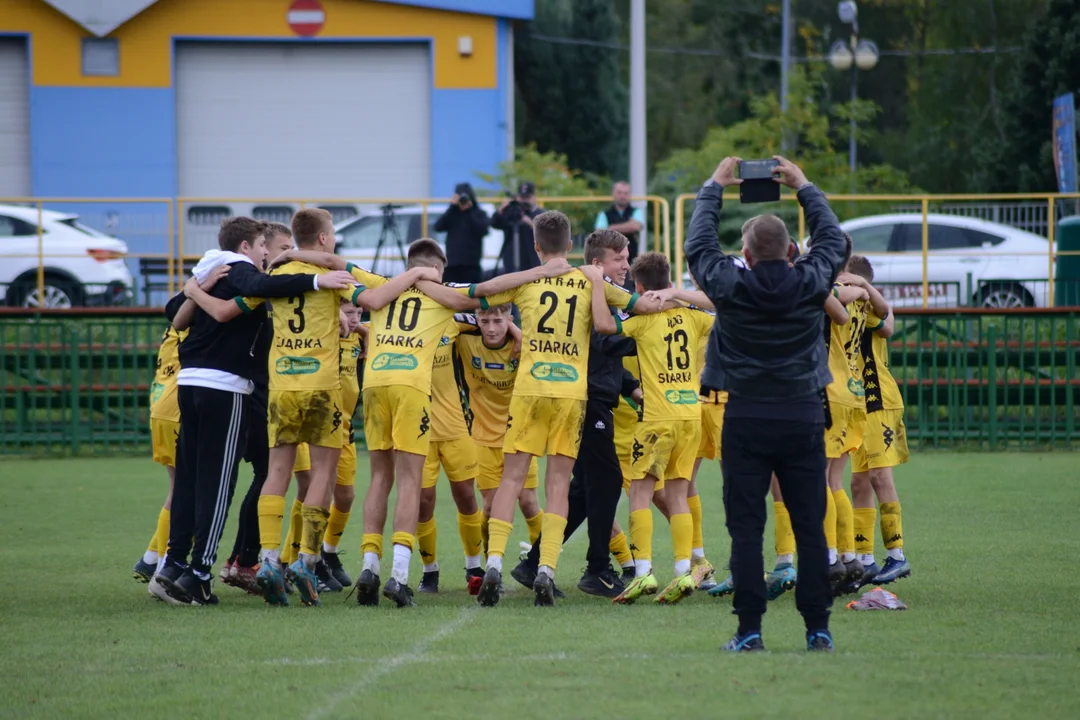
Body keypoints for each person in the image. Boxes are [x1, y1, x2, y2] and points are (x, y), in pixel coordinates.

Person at [685, 156, 848, 653]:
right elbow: (833, 241)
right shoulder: (810, 282)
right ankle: (818, 629)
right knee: (810, 529)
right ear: (791, 252)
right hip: (802, 417)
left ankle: (750, 630)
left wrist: (715, 186)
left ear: (748, 256)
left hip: (747, 419)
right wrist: (804, 186)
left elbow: (698, 247)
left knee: (746, 530)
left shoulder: (732, 286)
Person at [149, 217, 357, 605]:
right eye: (269, 247)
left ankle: (177, 565)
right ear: (249, 246)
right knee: (226, 480)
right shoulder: (252, 275)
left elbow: (176, 315)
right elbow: (239, 304)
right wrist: (319, 282)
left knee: (216, 478)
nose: (270, 256)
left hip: (209, 384)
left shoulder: (221, 272)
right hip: (244, 386)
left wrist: (195, 288)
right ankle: (210, 571)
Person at [352, 241, 564, 607]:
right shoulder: (445, 297)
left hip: (389, 394)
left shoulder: (380, 286)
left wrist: (513, 329)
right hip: (412, 399)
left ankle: (382, 563)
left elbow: (487, 317)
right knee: (415, 491)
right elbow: (482, 293)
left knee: (392, 480)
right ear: (440, 269)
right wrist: (539, 272)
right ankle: (411, 572)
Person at [473, 211, 635, 608]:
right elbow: (637, 305)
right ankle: (546, 569)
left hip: (529, 389)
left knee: (511, 479)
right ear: (571, 245)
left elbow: (480, 291)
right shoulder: (587, 280)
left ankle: (494, 560)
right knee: (559, 484)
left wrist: (531, 274)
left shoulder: (526, 283)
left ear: (536, 247)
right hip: (570, 394)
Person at [511, 228, 649, 599]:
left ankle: (535, 562)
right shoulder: (590, 290)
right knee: (604, 482)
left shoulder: (604, 293)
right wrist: (644, 331)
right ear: (595, 263)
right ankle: (598, 569)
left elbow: (605, 359)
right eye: (619, 258)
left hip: (593, 398)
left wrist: (632, 387)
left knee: (586, 489)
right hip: (582, 400)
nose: (627, 264)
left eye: (627, 256)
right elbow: (602, 340)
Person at [609, 252, 716, 606]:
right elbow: (725, 307)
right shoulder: (694, 316)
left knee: (639, 493)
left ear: (638, 286)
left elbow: (604, 329)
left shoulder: (639, 322)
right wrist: (681, 295)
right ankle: (685, 570)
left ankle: (642, 573)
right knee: (678, 494)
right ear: (669, 281)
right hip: (691, 416)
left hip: (656, 417)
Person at [453, 304, 545, 563]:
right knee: (492, 507)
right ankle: (489, 562)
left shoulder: (522, 346)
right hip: (483, 437)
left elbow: (541, 351)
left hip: (522, 435)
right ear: (477, 321)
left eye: (498, 321)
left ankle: (541, 565)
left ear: (510, 319)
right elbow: (446, 314)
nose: (491, 328)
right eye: (485, 321)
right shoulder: (466, 339)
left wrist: (518, 333)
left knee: (528, 504)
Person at [842, 256, 911, 586]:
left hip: (878, 399)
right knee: (858, 481)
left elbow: (887, 323)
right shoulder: (843, 298)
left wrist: (865, 289)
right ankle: (865, 558)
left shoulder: (866, 302)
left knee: (880, 476)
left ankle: (897, 555)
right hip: (855, 402)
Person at [414, 313, 487, 595]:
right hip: (418, 429)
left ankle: (473, 566)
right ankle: (429, 571)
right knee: (423, 500)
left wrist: (516, 333)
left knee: (466, 496)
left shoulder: (454, 319)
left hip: (456, 426)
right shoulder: (400, 320)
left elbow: (490, 319)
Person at [132, 323, 189, 583]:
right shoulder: (205, 308)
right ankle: (166, 564)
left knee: (180, 486)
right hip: (178, 404)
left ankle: (152, 557)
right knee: (187, 490)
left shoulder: (183, 310)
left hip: (161, 399)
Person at [436, 182, 491, 284]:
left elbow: (484, 230)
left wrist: (469, 211)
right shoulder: (452, 213)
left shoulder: (478, 213)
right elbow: (438, 227)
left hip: (471, 265)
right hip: (452, 264)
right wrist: (452, 207)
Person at [594, 181, 645, 285]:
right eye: (619, 192)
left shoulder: (636, 211)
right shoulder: (604, 213)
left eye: (626, 193)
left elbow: (636, 226)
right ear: (613, 194)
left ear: (630, 195)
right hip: (609, 265)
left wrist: (612, 228)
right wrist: (628, 226)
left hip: (631, 264)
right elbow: (599, 233)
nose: (623, 196)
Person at [491, 181, 543, 274]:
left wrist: (529, 222)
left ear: (534, 197)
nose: (524, 201)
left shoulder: (540, 214)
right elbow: (494, 223)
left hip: (532, 263)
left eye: (527, 197)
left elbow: (546, 234)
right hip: (511, 263)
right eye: (522, 197)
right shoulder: (511, 214)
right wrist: (502, 209)